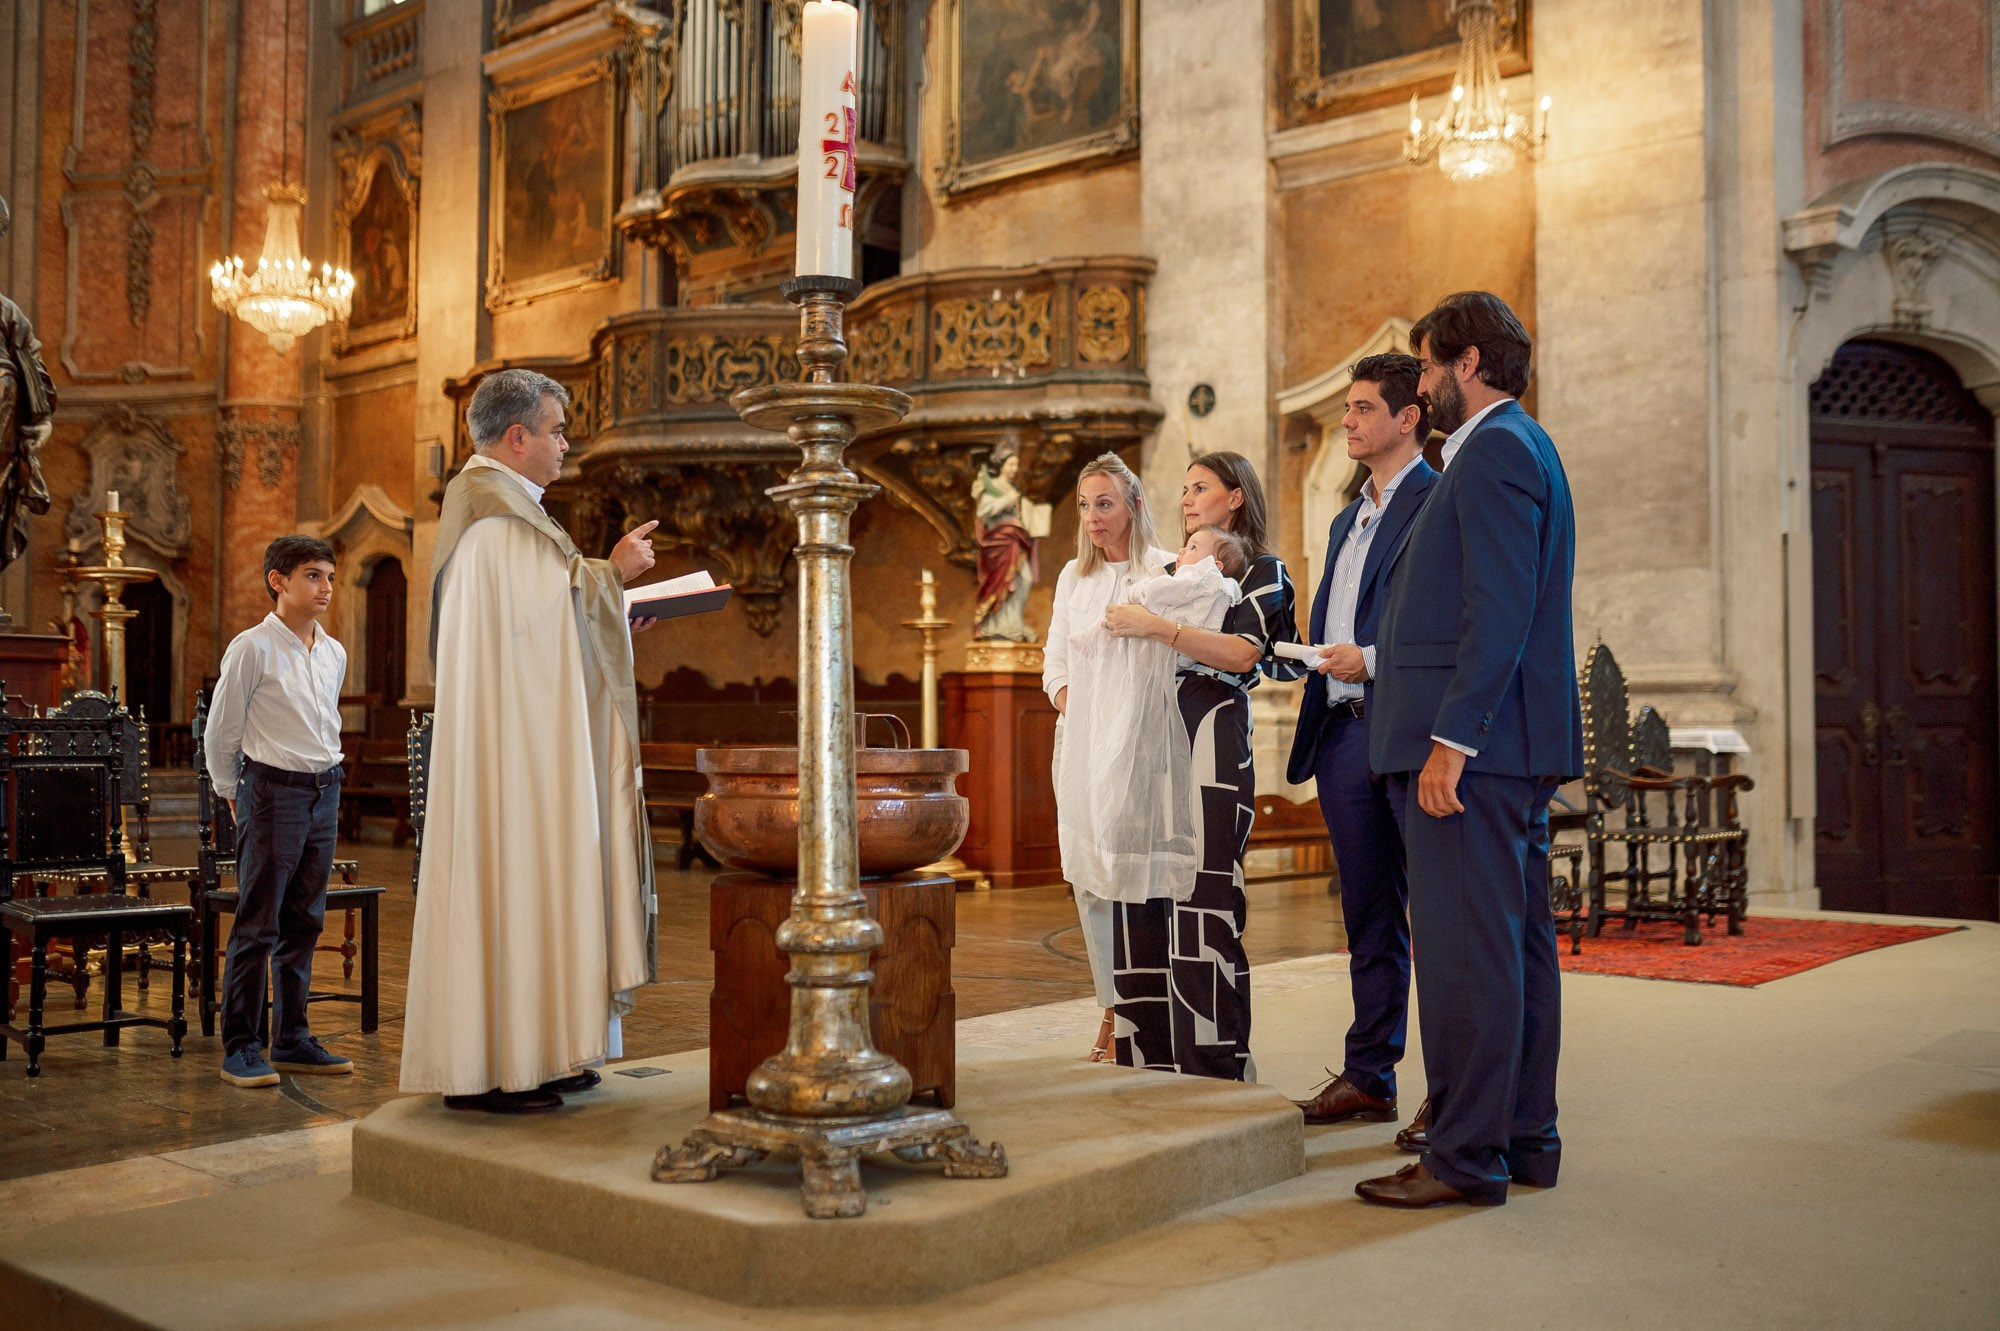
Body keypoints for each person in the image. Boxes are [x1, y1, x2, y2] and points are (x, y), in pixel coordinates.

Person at [1357, 291, 1582, 1208]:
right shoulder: (1517, 447)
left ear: (1469, 363)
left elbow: (1499, 606)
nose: (1423, 384)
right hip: (1505, 746)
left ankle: (1463, 1156)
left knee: (1464, 956)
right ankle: (1523, 1136)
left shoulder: (1493, 451)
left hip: (1473, 754)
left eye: (1428, 366)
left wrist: (1453, 740)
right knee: (1514, 945)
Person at [400, 368, 662, 1115]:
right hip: (508, 763)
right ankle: (491, 1066)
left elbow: (552, 624)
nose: (565, 443)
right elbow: (532, 626)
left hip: (529, 747)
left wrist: (614, 608)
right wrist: (611, 575)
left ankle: (541, 1050)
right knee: (513, 879)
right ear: (517, 438)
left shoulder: (510, 509)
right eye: (556, 431)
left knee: (542, 881)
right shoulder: (493, 517)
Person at [1102, 451, 1307, 1080]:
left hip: (1210, 728)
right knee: (1140, 886)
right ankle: (1148, 1055)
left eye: (1201, 488)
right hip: (1149, 729)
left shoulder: (1262, 570)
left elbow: (1243, 655)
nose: (1187, 499)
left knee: (1203, 889)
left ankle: (1213, 1062)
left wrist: (1154, 626)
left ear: (1236, 497)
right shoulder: (1169, 565)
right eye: (1183, 488)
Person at [1287, 353, 1437, 1129]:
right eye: (1344, 407)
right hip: (1343, 733)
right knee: (1369, 916)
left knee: (1438, 917)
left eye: (1362, 408)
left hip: (1405, 729)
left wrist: (1372, 659)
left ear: (1408, 417)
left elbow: (1446, 622)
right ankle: (1370, 1074)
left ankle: (1449, 1092)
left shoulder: (1437, 501)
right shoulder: (1351, 515)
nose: (1346, 420)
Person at [1057, 524, 1248, 965]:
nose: (1183, 550)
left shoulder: (1202, 580)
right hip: (1110, 700)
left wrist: (1142, 603)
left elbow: (1157, 602)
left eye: (1194, 547)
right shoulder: (1081, 573)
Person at [1042, 452, 1178, 1062]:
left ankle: (1154, 1004)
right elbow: (1055, 666)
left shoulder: (1167, 568)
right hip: (1080, 748)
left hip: (1145, 747)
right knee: (1092, 882)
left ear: (1134, 505)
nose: (1093, 517)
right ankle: (1110, 1009)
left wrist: (1120, 722)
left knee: (1142, 876)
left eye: (1105, 503)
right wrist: (1083, 712)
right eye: (1084, 505)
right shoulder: (1075, 576)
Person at [205, 535, 351, 1088]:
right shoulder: (252, 648)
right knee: (258, 923)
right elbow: (222, 731)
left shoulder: (333, 652)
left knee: (305, 921)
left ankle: (291, 1037)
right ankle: (241, 1045)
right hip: (271, 792)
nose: (326, 588)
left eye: (330, 578)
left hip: (324, 790)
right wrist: (232, 794)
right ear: (279, 581)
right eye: (313, 576)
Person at [972, 446, 1037, 643]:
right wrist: (1006, 500)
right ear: (1000, 465)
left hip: (1015, 539)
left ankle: (1014, 622)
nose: (1013, 468)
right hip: (998, 541)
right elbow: (983, 511)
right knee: (1003, 582)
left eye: (1016, 465)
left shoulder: (1012, 488)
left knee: (1023, 579)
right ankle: (996, 624)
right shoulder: (992, 486)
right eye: (1010, 464)